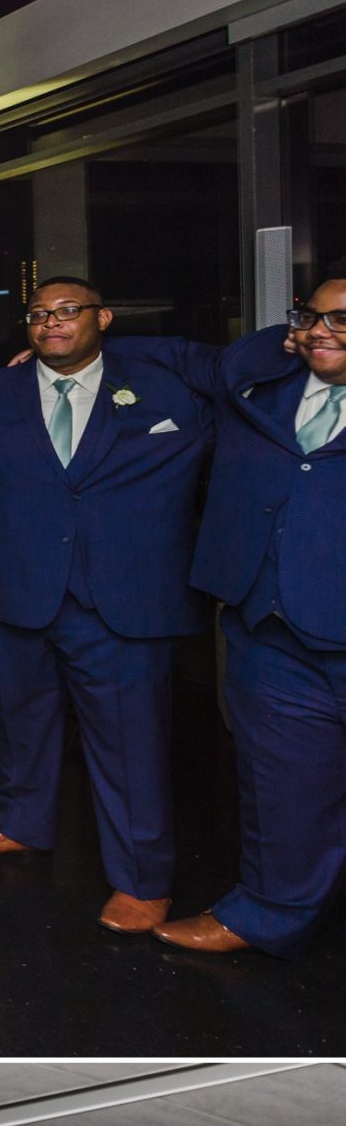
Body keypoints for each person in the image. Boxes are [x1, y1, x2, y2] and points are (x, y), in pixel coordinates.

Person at [0, 276, 215, 934]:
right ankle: (17, 824)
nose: (51, 322)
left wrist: (129, 351)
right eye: (38, 314)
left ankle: (142, 880)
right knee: (18, 724)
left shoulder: (168, 390)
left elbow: (241, 370)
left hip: (122, 599)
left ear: (103, 318)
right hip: (12, 593)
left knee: (130, 746)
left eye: (67, 312)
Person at [144, 274, 346, 955]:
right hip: (271, 631)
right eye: (311, 317)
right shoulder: (258, 386)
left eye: (342, 320)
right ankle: (262, 914)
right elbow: (184, 356)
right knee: (281, 790)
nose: (321, 331)